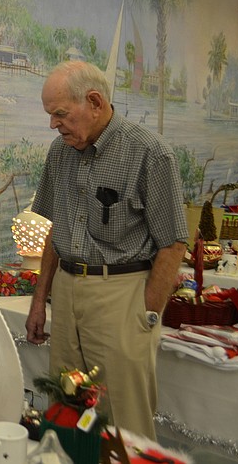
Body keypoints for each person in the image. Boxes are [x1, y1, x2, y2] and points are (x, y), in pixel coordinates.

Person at [24, 61, 187, 440]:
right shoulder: (60, 152)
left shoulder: (149, 153)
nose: (53, 125)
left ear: (94, 101)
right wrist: (39, 299)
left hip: (121, 295)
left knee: (123, 420)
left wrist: (145, 315)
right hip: (65, 292)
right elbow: (54, 229)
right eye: (50, 116)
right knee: (64, 406)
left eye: (60, 114)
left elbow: (173, 243)